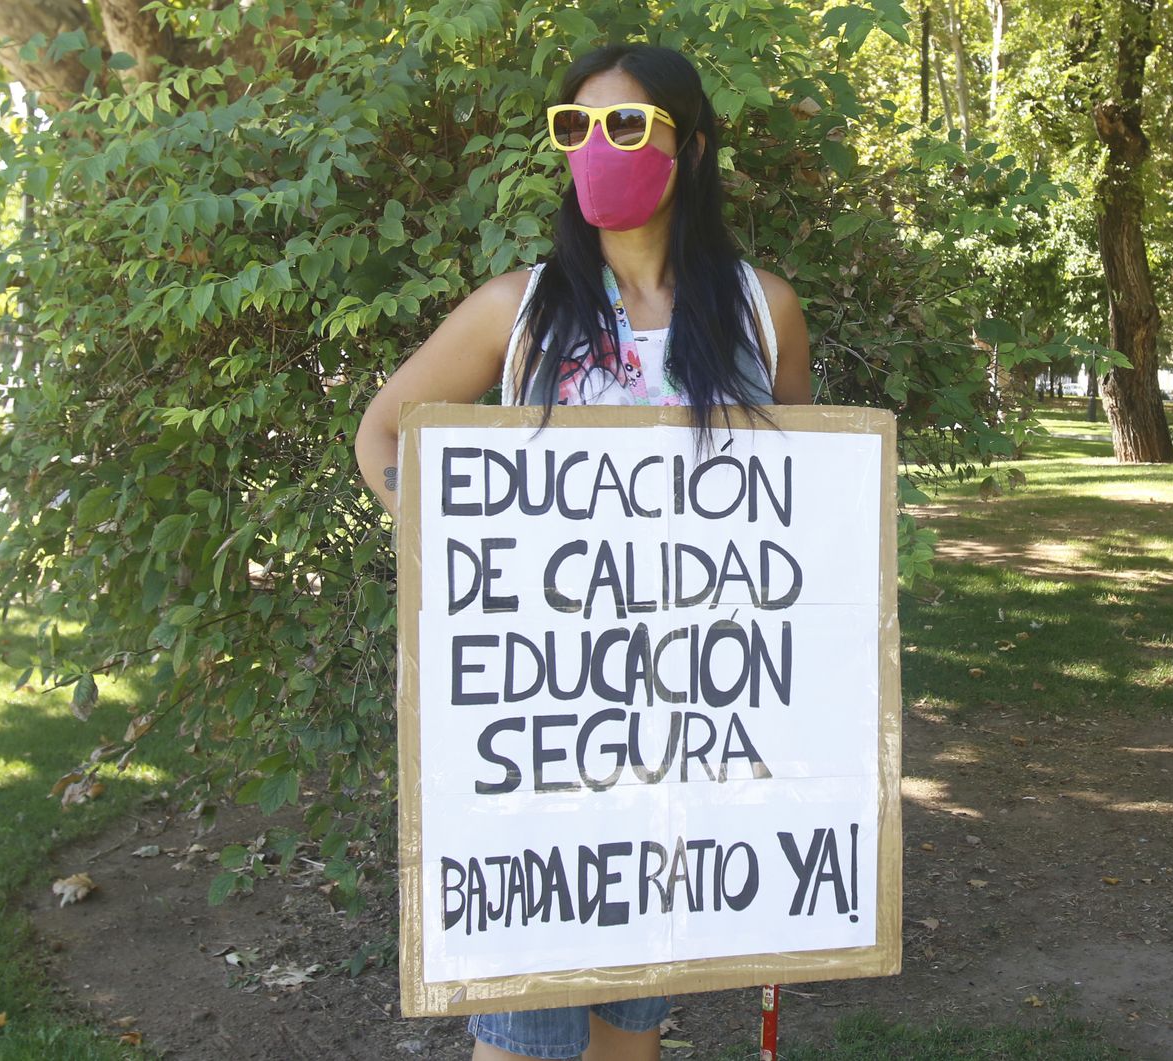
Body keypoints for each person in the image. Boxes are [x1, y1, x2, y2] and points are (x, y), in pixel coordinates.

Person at [353, 43, 811, 1060]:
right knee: (523, 1038)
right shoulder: (515, 311)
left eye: (625, 125)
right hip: (537, 742)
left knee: (627, 1034)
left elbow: (794, 523)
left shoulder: (758, 312)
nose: (597, 147)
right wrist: (445, 538)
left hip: (677, 747)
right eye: (576, 127)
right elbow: (383, 431)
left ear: (688, 148)